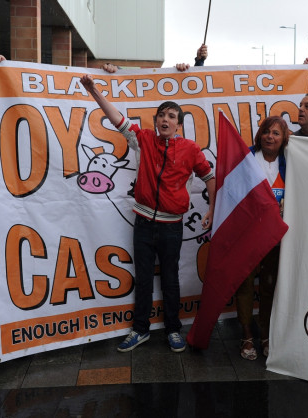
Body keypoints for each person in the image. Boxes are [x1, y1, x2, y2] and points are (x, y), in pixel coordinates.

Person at [80, 72, 215, 353]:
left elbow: (210, 178)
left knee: (170, 279)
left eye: (171, 116)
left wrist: (213, 209)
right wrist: (93, 91)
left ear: (178, 124)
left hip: (171, 227)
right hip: (142, 223)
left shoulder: (190, 149)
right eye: (161, 115)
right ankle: (140, 330)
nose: (165, 120)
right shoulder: (143, 139)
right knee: (142, 279)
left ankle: (174, 330)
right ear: (155, 121)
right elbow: (116, 118)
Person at [235, 116, 287, 360]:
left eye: (276, 133)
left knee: (269, 286)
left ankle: (265, 333)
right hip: (247, 232)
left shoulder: (290, 161)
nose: (270, 137)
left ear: (283, 138)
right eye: (266, 131)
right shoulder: (246, 157)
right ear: (259, 135)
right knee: (245, 284)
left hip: (276, 236)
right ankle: (246, 335)